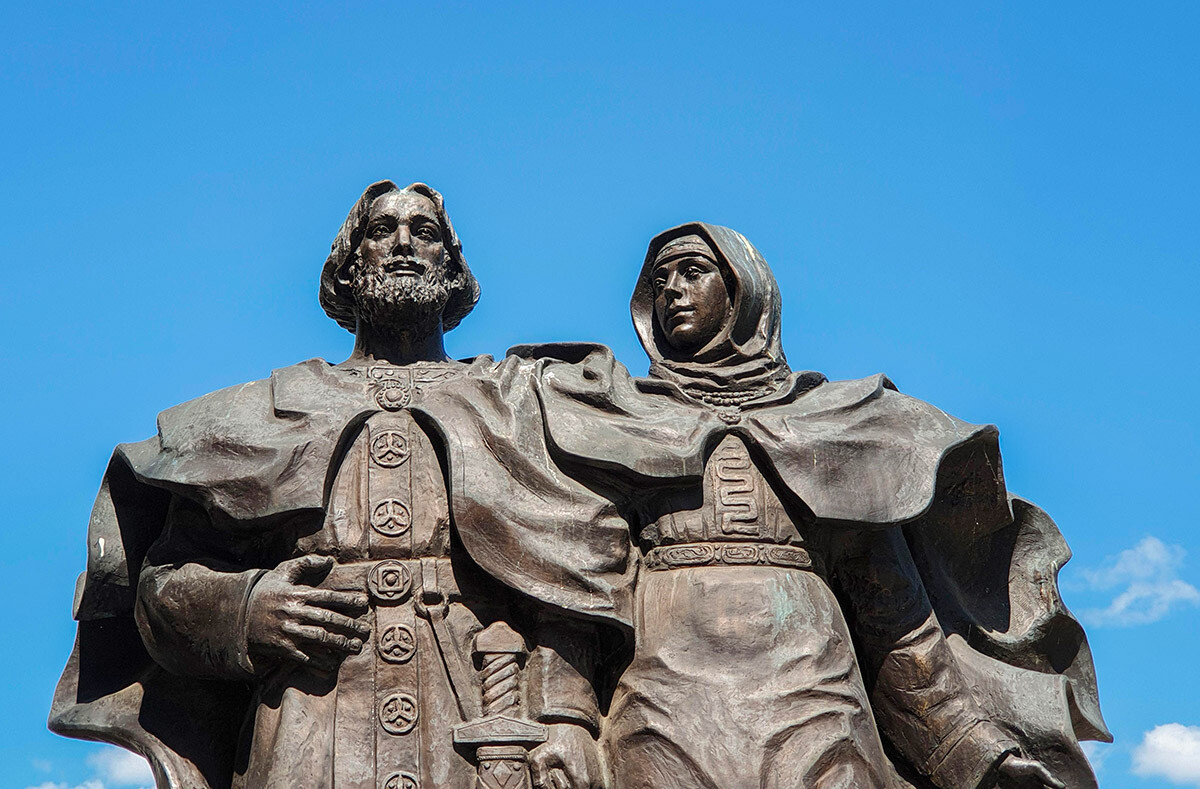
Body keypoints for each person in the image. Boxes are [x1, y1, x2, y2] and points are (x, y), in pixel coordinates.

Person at [49, 182, 628, 789]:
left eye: (425, 233)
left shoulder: (511, 399)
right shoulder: (265, 411)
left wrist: (567, 713)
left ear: (453, 271)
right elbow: (162, 586)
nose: (403, 243)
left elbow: (574, 572)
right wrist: (246, 611)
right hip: (311, 708)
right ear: (349, 269)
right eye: (381, 231)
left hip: (477, 707)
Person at [512, 223, 1110, 788]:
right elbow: (578, 589)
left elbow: (895, 624)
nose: (672, 290)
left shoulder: (836, 425)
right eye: (660, 281)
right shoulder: (619, 418)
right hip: (664, 704)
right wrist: (567, 718)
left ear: (744, 289)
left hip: (817, 703)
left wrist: (977, 753)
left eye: (692, 271)